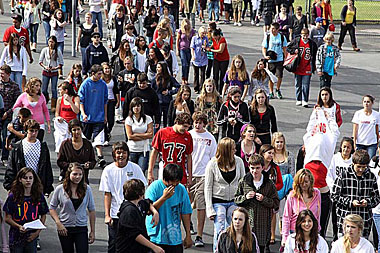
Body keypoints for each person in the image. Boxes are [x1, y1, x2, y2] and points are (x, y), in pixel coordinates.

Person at [99, 141, 147, 253]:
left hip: (133, 213)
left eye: (124, 152)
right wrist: (107, 215)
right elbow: (107, 194)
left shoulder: (135, 168)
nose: (121, 155)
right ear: (114, 154)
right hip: (116, 214)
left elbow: (143, 189)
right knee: (114, 245)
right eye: (118, 153)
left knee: (134, 244)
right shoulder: (108, 170)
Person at [205, 137, 245, 251]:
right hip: (218, 201)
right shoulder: (212, 164)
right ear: (226, 150)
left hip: (234, 200)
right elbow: (207, 187)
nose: (235, 151)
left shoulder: (238, 161)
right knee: (220, 228)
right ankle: (217, 250)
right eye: (233, 149)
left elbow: (243, 182)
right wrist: (209, 208)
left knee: (233, 228)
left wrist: (243, 202)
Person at [234, 154, 279, 253]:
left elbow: (276, 203)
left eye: (258, 168)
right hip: (247, 225)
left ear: (263, 168)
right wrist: (245, 197)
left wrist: (264, 199)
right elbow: (236, 199)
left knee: (261, 249)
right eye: (252, 168)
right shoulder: (244, 182)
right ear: (249, 167)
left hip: (263, 226)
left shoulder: (269, 184)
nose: (255, 171)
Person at [332, 149, 380, 238]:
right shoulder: (343, 175)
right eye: (358, 167)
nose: (361, 169)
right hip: (346, 221)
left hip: (364, 222)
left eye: (364, 167)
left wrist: (367, 202)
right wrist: (350, 202)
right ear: (353, 163)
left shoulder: (371, 177)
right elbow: (334, 196)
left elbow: (377, 198)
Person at [145, 163, 193, 251]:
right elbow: (147, 210)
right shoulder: (154, 188)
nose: (174, 186)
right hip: (155, 237)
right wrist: (164, 197)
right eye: (172, 183)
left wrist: (188, 235)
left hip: (174, 238)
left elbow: (185, 212)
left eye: (176, 183)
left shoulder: (181, 189)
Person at [49, 163, 96, 253]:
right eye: (75, 174)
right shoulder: (60, 189)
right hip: (65, 227)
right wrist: (58, 223)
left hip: (81, 227)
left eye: (80, 174)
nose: (78, 177)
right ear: (69, 174)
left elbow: (92, 210)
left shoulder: (87, 189)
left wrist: (92, 231)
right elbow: (52, 208)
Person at [189, 112, 217, 247]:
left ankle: (199, 235)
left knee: (201, 206)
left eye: (200, 123)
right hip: (189, 174)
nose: (197, 125)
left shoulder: (210, 138)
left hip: (203, 176)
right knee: (186, 204)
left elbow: (213, 158)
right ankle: (188, 227)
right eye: (195, 122)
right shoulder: (189, 135)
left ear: (204, 124)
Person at [3, 168, 48, 252]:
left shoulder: (38, 196)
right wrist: (18, 226)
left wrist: (37, 233)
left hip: (32, 235)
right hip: (16, 235)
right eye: (25, 178)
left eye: (30, 178)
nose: (28, 180)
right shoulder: (13, 197)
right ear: (20, 179)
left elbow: (43, 214)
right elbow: (7, 218)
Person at [4, 119, 54, 195]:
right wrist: (9, 186)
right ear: (26, 131)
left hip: (37, 183)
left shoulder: (43, 146)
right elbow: (11, 167)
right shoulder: (17, 147)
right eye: (31, 131)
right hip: (21, 184)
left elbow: (47, 167)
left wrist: (48, 188)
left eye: (36, 131)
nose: (34, 133)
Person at [115, 179, 162, 253]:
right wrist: (154, 247)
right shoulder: (129, 211)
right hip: (128, 249)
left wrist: (155, 212)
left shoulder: (139, 204)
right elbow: (135, 235)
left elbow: (148, 203)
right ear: (140, 194)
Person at [147, 112, 193, 185]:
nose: (186, 129)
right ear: (177, 122)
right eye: (184, 126)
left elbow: (189, 156)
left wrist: (190, 176)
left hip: (180, 171)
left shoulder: (188, 136)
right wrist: (150, 172)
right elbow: (154, 152)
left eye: (188, 127)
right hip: (165, 168)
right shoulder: (162, 133)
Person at [281, 169, 321, 248]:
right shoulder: (292, 195)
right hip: (295, 232)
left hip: (311, 231)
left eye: (306, 182)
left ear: (311, 181)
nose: (304, 185)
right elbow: (286, 217)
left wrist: (317, 230)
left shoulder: (317, 193)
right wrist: (285, 238)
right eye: (301, 182)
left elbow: (318, 214)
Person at [78, 64, 108, 167]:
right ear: (92, 74)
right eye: (99, 74)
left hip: (99, 117)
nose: (100, 76)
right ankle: (85, 157)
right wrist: (83, 113)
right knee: (85, 139)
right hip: (87, 118)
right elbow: (81, 100)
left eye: (101, 74)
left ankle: (100, 157)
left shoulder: (103, 85)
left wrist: (105, 116)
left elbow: (105, 101)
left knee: (98, 138)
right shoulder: (85, 84)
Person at [327, 137, 354, 241]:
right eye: (344, 147)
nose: (346, 149)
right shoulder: (335, 158)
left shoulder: (353, 161)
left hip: (347, 194)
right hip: (336, 193)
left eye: (348, 147)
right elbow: (329, 174)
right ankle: (335, 238)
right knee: (335, 218)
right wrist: (333, 188)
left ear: (352, 149)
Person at [57, 119, 97, 183]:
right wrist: (71, 166)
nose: (76, 132)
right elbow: (60, 162)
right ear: (70, 131)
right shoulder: (65, 144)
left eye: (78, 129)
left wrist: (89, 165)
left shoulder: (87, 144)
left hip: (83, 179)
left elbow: (93, 161)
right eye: (74, 130)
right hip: (68, 179)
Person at [287, 28, 318, 108]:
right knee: (298, 84)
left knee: (306, 84)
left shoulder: (312, 43)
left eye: (306, 35)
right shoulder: (297, 41)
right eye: (303, 35)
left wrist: (314, 66)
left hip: (307, 66)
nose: (305, 37)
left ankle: (305, 100)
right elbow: (288, 48)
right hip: (298, 66)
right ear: (301, 35)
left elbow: (315, 55)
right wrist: (294, 51)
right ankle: (298, 99)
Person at [125, 97, 153, 173]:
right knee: (131, 172)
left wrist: (136, 135)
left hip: (143, 149)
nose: (136, 108)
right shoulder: (129, 119)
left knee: (141, 171)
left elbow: (150, 135)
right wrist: (144, 135)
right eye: (134, 106)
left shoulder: (148, 119)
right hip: (132, 149)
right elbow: (130, 136)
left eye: (138, 106)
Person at [0, 64, 21, 161]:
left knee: (5, 136)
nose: (1, 76)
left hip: (8, 115)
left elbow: (16, 104)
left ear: (8, 74)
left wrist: (7, 113)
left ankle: (4, 157)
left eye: (3, 74)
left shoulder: (14, 86)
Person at [262, 22, 288, 99]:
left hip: (279, 59)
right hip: (270, 60)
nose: (272, 30)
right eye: (271, 28)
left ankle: (278, 89)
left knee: (279, 75)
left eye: (273, 29)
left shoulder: (282, 37)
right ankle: (271, 92)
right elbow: (264, 47)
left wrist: (285, 58)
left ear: (277, 29)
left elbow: (284, 48)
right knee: (271, 76)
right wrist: (265, 56)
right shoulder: (268, 37)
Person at [151, 61, 180, 128]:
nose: (157, 69)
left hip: (167, 102)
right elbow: (151, 91)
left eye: (158, 67)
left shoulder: (170, 78)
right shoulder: (154, 79)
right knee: (157, 122)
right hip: (158, 103)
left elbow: (179, 87)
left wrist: (169, 92)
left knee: (167, 122)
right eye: (157, 67)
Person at [39, 35, 64, 110]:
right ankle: (44, 101)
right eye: (49, 42)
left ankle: (54, 105)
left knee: (54, 89)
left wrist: (55, 68)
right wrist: (45, 66)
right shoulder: (45, 50)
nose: (51, 44)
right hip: (46, 71)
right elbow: (40, 61)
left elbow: (61, 63)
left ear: (55, 43)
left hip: (54, 72)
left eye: (52, 42)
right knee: (43, 89)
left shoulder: (58, 51)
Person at [54, 81, 80, 151]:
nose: (59, 91)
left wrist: (70, 101)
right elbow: (57, 112)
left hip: (72, 124)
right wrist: (58, 118)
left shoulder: (75, 98)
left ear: (66, 90)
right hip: (63, 124)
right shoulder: (60, 99)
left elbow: (76, 111)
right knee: (60, 141)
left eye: (60, 90)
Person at [352, 95, 379, 159]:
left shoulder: (376, 115)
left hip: (372, 143)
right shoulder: (358, 113)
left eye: (368, 102)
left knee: (370, 162)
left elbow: (377, 129)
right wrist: (354, 142)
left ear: (372, 103)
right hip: (360, 143)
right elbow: (355, 129)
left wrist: (377, 141)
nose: (366, 104)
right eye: (365, 102)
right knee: (359, 160)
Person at [101, 62, 120, 145]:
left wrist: (118, 100)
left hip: (112, 100)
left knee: (111, 121)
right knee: (104, 120)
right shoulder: (100, 79)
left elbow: (116, 90)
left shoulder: (113, 78)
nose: (107, 70)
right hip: (103, 101)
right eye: (105, 68)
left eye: (108, 68)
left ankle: (108, 132)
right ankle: (105, 137)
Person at [207, 29, 229, 94]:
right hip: (216, 58)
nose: (213, 38)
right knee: (215, 74)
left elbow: (220, 50)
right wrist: (209, 48)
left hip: (224, 59)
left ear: (218, 35)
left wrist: (211, 50)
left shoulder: (222, 40)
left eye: (214, 36)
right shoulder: (214, 39)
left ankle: (221, 89)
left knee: (222, 75)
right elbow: (213, 45)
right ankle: (215, 88)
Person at [190, 26, 208, 93]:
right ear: (199, 32)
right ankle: (196, 87)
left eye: (205, 33)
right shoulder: (194, 38)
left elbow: (207, 47)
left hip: (203, 57)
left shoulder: (205, 38)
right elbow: (192, 47)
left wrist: (205, 47)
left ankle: (202, 87)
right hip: (196, 56)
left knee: (203, 74)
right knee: (196, 73)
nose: (204, 34)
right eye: (202, 33)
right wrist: (193, 55)